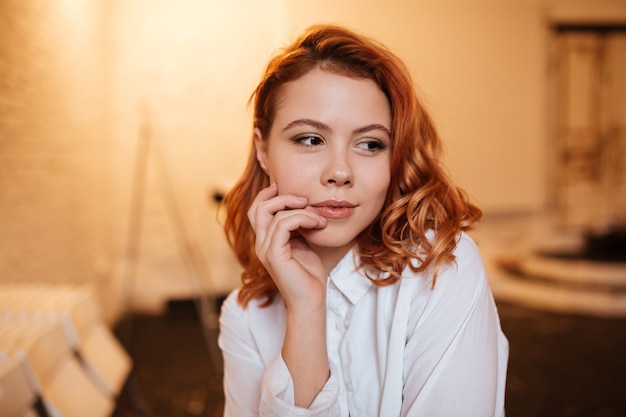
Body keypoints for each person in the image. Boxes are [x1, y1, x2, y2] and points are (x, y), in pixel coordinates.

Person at [218, 24, 508, 417]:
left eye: (370, 144)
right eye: (310, 139)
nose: (340, 172)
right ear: (263, 151)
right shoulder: (245, 315)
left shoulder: (442, 268)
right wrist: (305, 311)